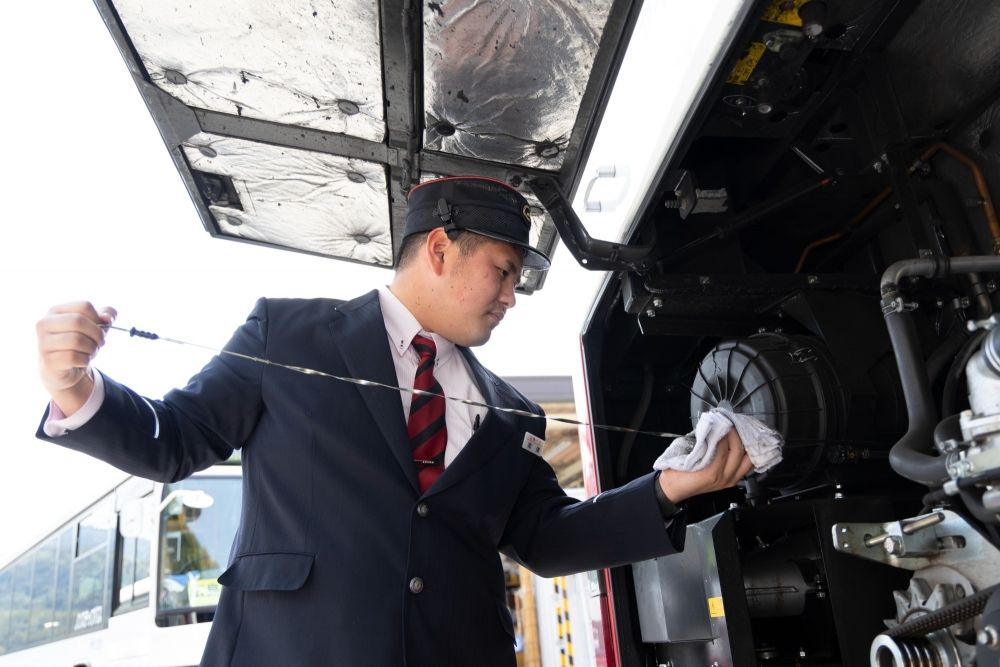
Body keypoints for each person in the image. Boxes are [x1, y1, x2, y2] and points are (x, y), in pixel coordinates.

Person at [36, 176, 752, 666]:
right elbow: (174, 440)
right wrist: (76, 387)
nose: (511, 296)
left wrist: (668, 490)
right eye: (504, 270)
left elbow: (545, 537)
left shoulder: (515, 412)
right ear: (440, 250)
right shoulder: (286, 334)